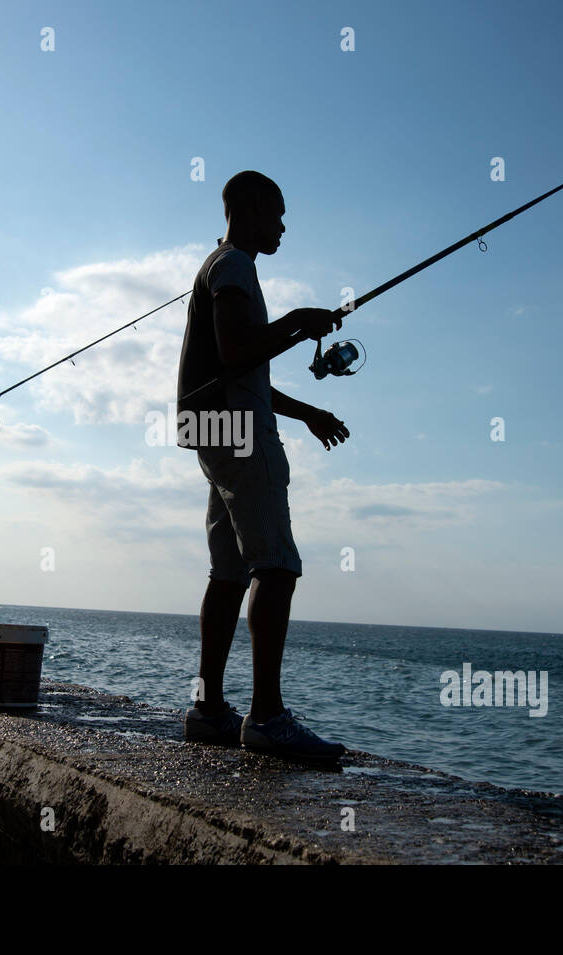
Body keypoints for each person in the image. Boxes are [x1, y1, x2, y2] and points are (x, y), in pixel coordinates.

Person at [176, 170, 351, 762]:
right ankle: (268, 717)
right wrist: (299, 321)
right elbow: (237, 351)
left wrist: (306, 412)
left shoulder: (216, 266)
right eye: (276, 213)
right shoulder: (233, 267)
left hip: (213, 428)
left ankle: (208, 709)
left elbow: (239, 371)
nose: (282, 225)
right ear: (249, 209)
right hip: (242, 437)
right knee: (274, 566)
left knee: (228, 572)